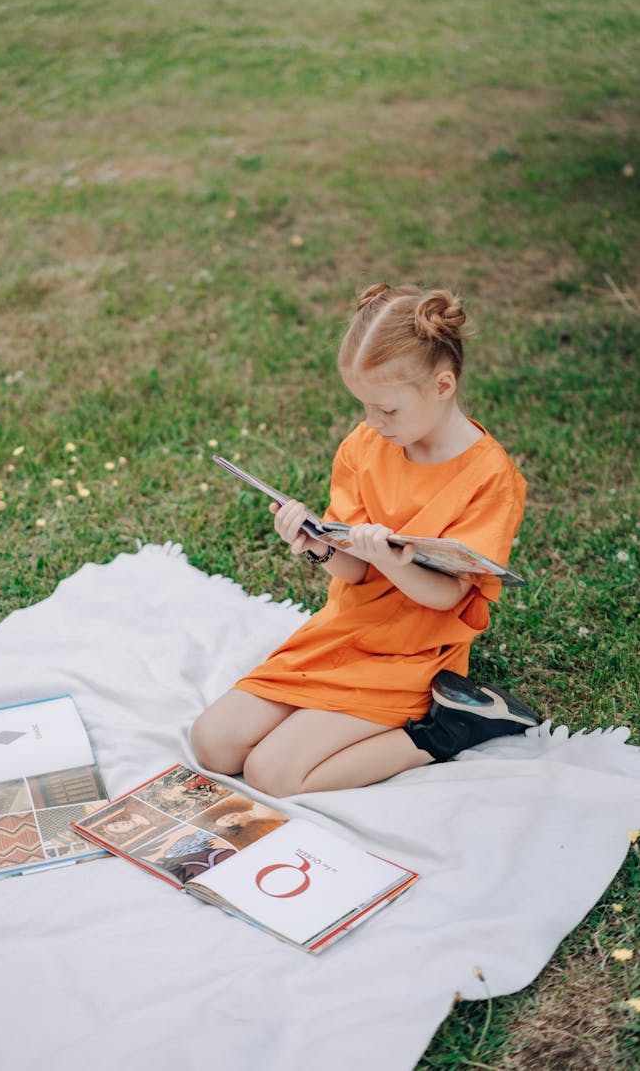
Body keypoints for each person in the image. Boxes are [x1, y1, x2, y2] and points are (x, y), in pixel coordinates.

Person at [191, 282, 541, 796]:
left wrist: (398, 563)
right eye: (364, 406)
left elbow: (450, 597)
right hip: (348, 630)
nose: (373, 422)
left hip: (416, 652)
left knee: (274, 774)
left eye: (388, 410)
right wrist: (316, 545)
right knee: (213, 744)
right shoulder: (365, 446)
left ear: (443, 386)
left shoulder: (490, 478)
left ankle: (446, 730)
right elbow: (353, 570)